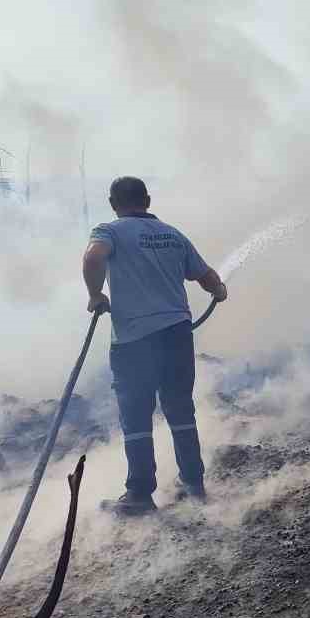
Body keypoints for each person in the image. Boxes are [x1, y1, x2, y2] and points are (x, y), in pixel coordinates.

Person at [83, 176, 227, 515]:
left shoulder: (110, 231)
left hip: (134, 340)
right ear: (147, 200)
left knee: (136, 415)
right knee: (180, 408)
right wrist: (218, 289)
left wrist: (94, 294)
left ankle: (139, 494)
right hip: (176, 333)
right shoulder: (173, 234)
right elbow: (205, 275)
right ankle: (193, 483)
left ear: (113, 203)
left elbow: (93, 258)